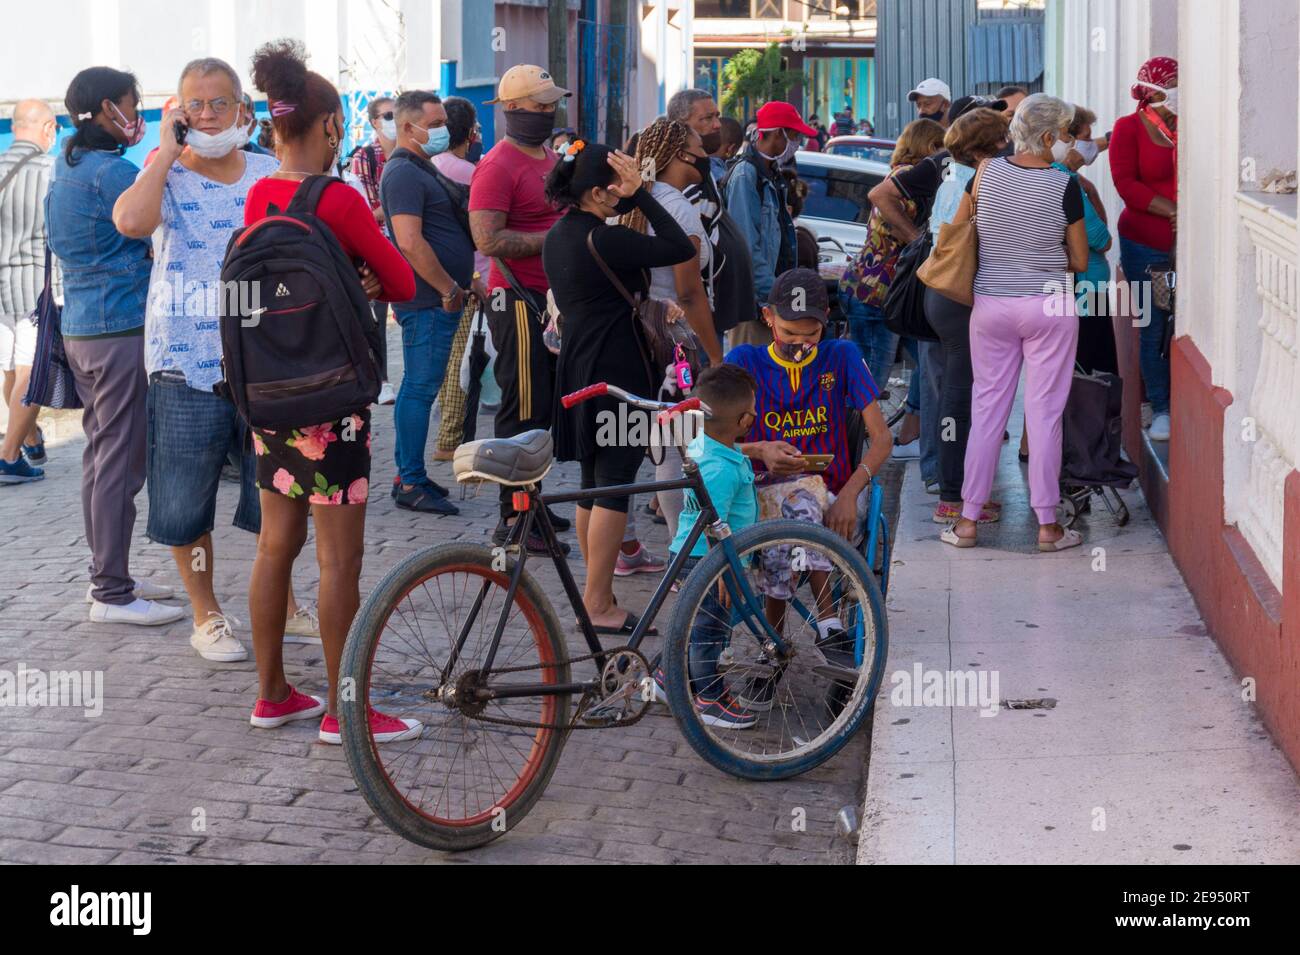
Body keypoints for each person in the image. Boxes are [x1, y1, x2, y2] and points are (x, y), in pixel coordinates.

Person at [242, 38, 419, 744]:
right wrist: (365, 277)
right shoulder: (338, 197)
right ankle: (348, 710)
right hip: (333, 408)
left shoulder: (260, 192)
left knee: (273, 547)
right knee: (338, 558)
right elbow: (404, 284)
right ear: (328, 127)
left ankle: (272, 693)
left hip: (271, 397)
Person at [114, 57, 315, 661]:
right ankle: (208, 614)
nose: (205, 114)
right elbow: (129, 222)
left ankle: (281, 604)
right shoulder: (163, 173)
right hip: (185, 363)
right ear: (175, 112)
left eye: (217, 103)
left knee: (279, 493)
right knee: (184, 500)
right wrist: (167, 154)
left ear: (241, 110)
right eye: (192, 105)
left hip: (266, 363)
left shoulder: (269, 172)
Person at [46, 67, 183, 626]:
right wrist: (171, 154)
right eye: (134, 104)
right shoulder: (113, 173)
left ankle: (109, 571)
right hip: (118, 330)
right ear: (109, 109)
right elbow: (157, 223)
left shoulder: (69, 164)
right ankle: (112, 592)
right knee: (119, 463)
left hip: (84, 329)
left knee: (101, 457)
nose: (140, 114)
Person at [544, 141, 695, 634]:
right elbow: (679, 245)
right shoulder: (604, 240)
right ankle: (597, 603)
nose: (623, 194)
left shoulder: (560, 235)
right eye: (614, 187)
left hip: (579, 365)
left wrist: (626, 193)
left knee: (594, 484)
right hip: (618, 371)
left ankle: (599, 592)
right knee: (615, 486)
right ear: (595, 193)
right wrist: (645, 197)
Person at [940, 94, 1088, 553]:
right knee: (1043, 414)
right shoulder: (1064, 186)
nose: (1067, 142)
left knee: (987, 411)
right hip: (1049, 306)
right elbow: (1080, 258)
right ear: (1047, 137)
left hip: (992, 304)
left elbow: (961, 228)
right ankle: (1047, 526)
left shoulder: (986, 173)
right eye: (1065, 133)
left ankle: (966, 522)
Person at [726, 268, 892, 674]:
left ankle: (775, 645)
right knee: (799, 502)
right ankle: (827, 622)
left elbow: (882, 439)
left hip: (834, 495)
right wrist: (759, 449)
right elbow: (707, 440)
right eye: (789, 333)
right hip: (762, 494)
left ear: (826, 323)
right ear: (767, 318)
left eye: (810, 335)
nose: (800, 345)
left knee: (806, 499)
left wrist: (851, 494)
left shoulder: (842, 355)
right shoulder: (744, 362)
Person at [468, 64, 571, 553]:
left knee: (542, 409)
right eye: (540, 104)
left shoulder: (549, 157)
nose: (549, 112)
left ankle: (534, 499)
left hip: (548, 303)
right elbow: (487, 238)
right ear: (511, 109)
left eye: (551, 103)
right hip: (517, 300)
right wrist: (554, 242)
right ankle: (513, 516)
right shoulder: (498, 165)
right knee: (522, 408)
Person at [623, 118, 724, 547]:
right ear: (683, 154)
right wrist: (716, 357)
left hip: (634, 333)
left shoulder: (634, 201)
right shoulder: (677, 208)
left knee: (628, 445)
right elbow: (690, 291)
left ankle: (625, 544)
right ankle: (681, 552)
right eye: (701, 142)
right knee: (674, 448)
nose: (708, 149)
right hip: (675, 339)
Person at [648, 363, 761, 728]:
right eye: (754, 409)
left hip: (692, 557)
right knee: (709, 633)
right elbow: (714, 525)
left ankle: (666, 679)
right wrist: (723, 569)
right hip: (708, 560)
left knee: (695, 625)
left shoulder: (706, 449)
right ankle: (710, 698)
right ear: (745, 421)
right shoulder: (720, 468)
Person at [380, 90, 470, 517]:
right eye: (433, 124)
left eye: (442, 123)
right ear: (407, 127)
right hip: (428, 301)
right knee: (418, 389)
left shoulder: (421, 168)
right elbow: (410, 241)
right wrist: (449, 289)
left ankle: (409, 472)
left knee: (420, 388)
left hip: (434, 298)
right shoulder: (402, 173)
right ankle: (411, 481)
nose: (442, 130)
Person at [923, 107, 1010, 525]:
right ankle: (953, 496)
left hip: (942, 295)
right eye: (1003, 138)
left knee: (961, 396)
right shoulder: (974, 181)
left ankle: (961, 489)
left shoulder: (952, 176)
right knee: (959, 399)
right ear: (987, 148)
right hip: (958, 298)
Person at [840, 119, 945, 437]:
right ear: (929, 149)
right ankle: (846, 444)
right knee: (871, 380)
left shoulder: (901, 175)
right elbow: (886, 208)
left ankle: (911, 431)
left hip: (888, 294)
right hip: (877, 294)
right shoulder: (904, 180)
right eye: (941, 149)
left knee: (928, 364)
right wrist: (918, 239)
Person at [1110, 56, 1177, 442]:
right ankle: (1161, 407)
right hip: (1146, 245)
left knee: (1182, 321)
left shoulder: (1187, 128)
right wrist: (1171, 210)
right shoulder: (1128, 128)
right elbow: (1126, 183)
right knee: (1155, 324)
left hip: (1189, 245)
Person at [0, 99, 60, 483]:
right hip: (32, 285)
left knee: (9, 369)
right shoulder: (49, 170)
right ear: (50, 128)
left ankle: (30, 435)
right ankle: (7, 457)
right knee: (31, 370)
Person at [669, 91, 756, 350]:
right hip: (694, 317)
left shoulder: (703, 168)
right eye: (707, 118)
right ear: (682, 126)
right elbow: (687, 278)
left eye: (717, 116)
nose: (717, 124)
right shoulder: (678, 184)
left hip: (713, 309)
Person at [724, 100, 814, 347]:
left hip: (768, 301)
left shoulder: (771, 174)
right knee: (749, 378)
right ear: (775, 134)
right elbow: (747, 247)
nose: (797, 144)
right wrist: (772, 297)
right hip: (754, 304)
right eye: (794, 136)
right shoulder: (746, 175)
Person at [430, 96, 490, 463]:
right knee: (460, 360)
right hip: (472, 278)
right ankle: (449, 438)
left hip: (431, 279)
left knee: (442, 358)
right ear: (468, 133)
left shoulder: (426, 165)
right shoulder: (471, 173)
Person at [350, 95, 398, 406]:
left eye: (398, 113)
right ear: (374, 122)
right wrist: (398, 205)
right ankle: (381, 379)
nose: (394, 120)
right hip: (378, 249)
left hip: (409, 247)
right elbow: (368, 213)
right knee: (377, 318)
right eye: (388, 115)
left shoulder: (410, 154)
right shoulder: (364, 158)